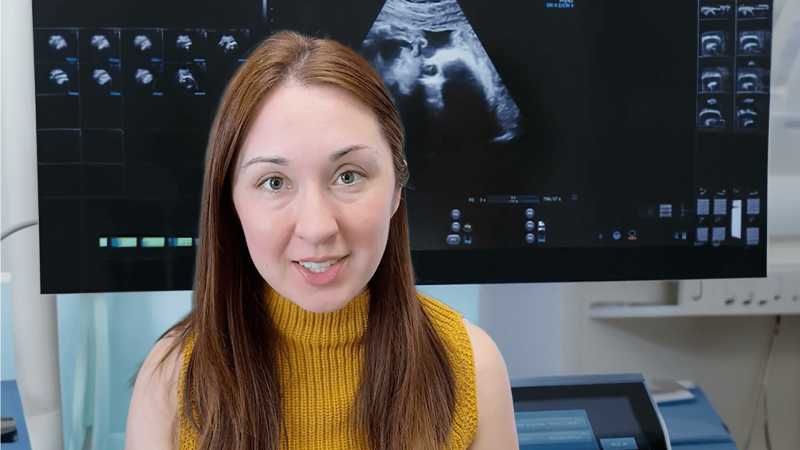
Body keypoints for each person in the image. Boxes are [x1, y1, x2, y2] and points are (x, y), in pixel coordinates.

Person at [125, 30, 518, 450]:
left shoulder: (473, 368)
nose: (317, 228)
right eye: (274, 182)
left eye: (348, 176)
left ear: (397, 187)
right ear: (230, 203)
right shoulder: (171, 380)